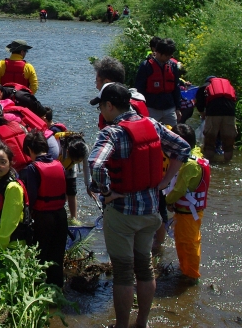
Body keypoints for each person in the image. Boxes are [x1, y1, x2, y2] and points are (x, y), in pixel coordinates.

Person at [88, 82, 190, 328]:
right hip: (151, 211)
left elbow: (96, 164)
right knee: (144, 268)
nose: (101, 112)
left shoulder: (112, 132)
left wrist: (107, 192)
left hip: (123, 214)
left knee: (123, 273)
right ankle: (142, 322)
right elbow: (183, 148)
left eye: (101, 107)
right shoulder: (152, 124)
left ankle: (122, 325)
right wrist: (165, 182)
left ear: (110, 106)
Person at [19, 130, 68, 286]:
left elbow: (30, 198)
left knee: (39, 257)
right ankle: (57, 294)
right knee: (57, 258)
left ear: (29, 150)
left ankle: (37, 292)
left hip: (42, 218)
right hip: (61, 216)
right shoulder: (60, 165)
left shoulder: (32, 169)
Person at [165, 123, 211, 283]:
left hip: (188, 212)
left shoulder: (190, 164)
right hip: (188, 211)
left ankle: (191, 276)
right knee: (183, 241)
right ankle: (184, 269)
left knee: (188, 243)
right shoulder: (195, 153)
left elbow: (179, 190)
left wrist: (166, 201)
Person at [0, 144, 30, 260]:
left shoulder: (13, 188)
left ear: (10, 163)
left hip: (11, 246)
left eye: (3, 162)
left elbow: (9, 221)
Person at [135, 39, 182, 127]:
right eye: (167, 55)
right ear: (158, 53)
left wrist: (178, 108)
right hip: (151, 108)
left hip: (169, 109)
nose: (169, 58)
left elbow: (176, 87)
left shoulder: (173, 66)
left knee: (174, 134)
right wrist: (140, 110)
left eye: (170, 55)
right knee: (150, 133)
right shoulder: (146, 66)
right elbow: (139, 89)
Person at [93, 56, 149, 129]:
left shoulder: (111, 109)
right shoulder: (137, 98)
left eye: (97, 81)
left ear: (107, 82)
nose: (96, 86)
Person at [195, 76, 238, 163]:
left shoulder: (204, 86)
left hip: (213, 112)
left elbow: (199, 102)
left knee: (210, 141)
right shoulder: (228, 86)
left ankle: (209, 164)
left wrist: (202, 113)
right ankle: (227, 164)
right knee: (228, 143)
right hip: (230, 112)